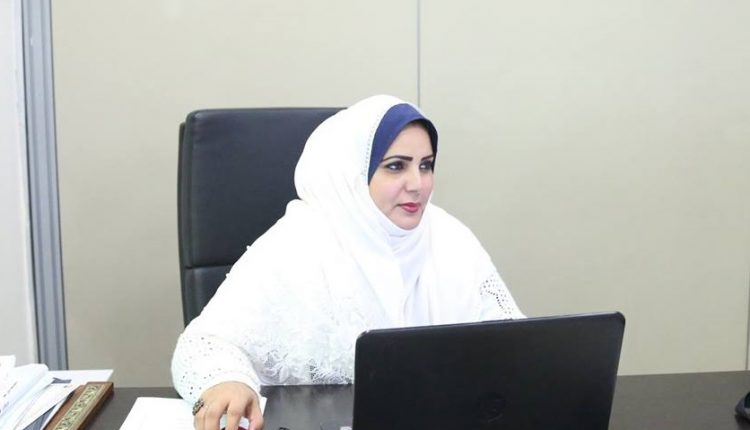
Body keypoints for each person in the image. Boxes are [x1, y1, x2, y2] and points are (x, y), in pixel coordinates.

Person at [171, 95, 524, 430]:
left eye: (426, 165)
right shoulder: (297, 243)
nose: (418, 184)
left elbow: (513, 346)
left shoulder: (450, 237)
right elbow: (202, 343)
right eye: (396, 166)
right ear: (353, 174)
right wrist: (226, 381)